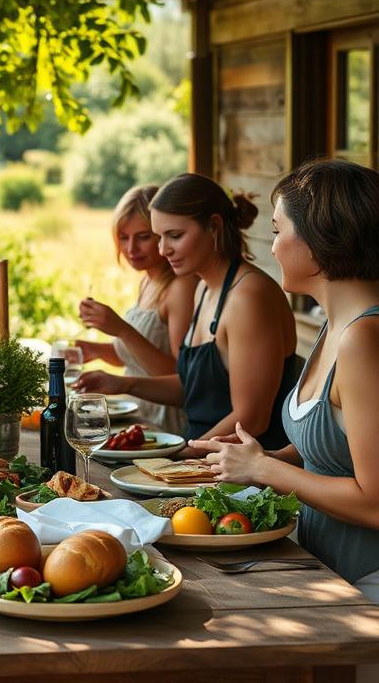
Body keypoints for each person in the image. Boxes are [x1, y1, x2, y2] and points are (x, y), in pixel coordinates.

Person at [190, 159, 379, 601]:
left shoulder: (364, 340)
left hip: (367, 588)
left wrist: (265, 469)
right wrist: (261, 457)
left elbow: (374, 501)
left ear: (319, 237)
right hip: (323, 571)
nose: (272, 248)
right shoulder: (338, 327)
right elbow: (339, 446)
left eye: (278, 231)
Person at [75, 173, 300, 450]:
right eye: (159, 237)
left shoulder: (248, 296)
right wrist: (124, 384)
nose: (163, 249)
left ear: (214, 226)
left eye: (175, 236)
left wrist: (179, 456)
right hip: (199, 455)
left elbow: (252, 419)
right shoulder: (204, 289)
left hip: (240, 474)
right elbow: (194, 390)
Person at [75, 185, 196, 435]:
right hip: (137, 418)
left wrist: (121, 329)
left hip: (165, 425)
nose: (131, 249)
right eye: (123, 237)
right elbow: (139, 356)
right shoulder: (148, 280)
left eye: (143, 237)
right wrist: (95, 350)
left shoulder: (180, 288)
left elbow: (178, 375)